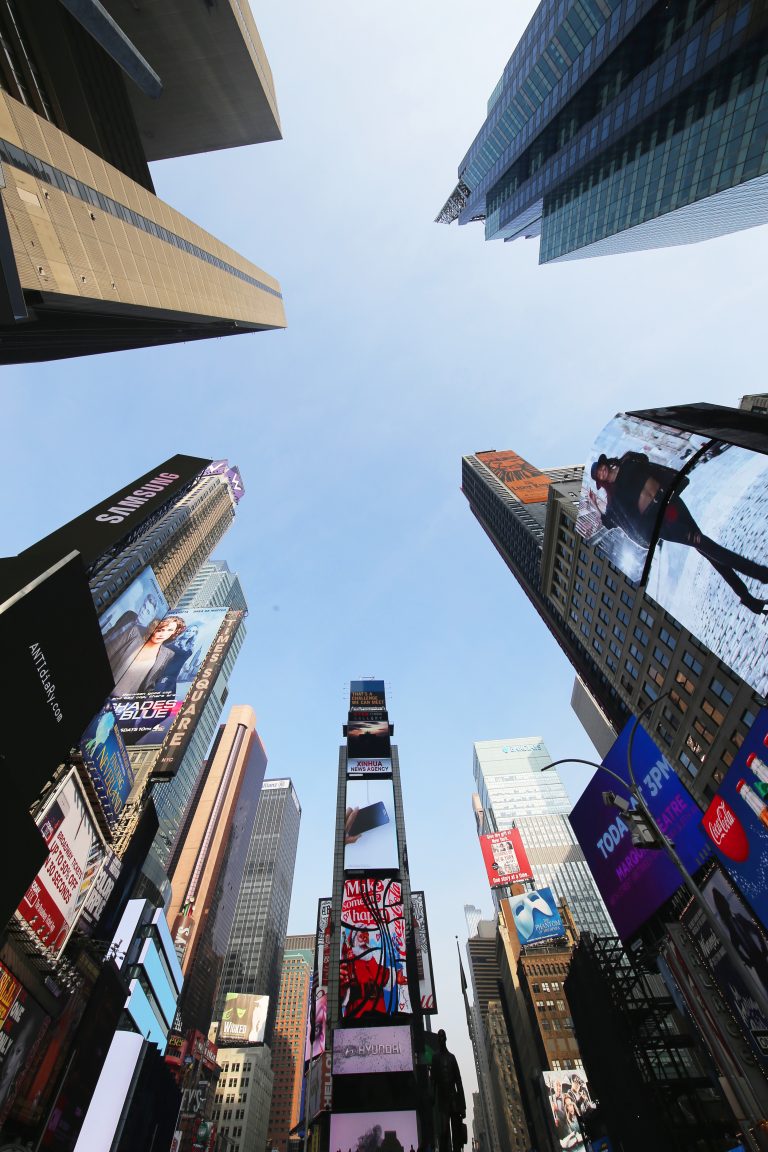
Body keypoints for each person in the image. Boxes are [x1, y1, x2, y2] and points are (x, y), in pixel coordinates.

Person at [591, 451, 768, 613]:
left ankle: (748, 599)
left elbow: (646, 461)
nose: (601, 473)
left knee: (707, 550)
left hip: (672, 503)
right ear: (601, 482)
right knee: (703, 543)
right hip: (663, 522)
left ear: (604, 464)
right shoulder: (614, 497)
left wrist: (629, 458)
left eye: (600, 469)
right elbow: (610, 521)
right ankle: (760, 573)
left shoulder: (628, 461)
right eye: (598, 476)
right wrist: (596, 506)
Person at [111, 615, 187, 696]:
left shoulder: (168, 654)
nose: (162, 634)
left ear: (174, 633)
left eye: (169, 630)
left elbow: (152, 681)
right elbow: (110, 653)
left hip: (126, 701)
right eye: (161, 629)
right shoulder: (134, 632)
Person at [101, 590, 160, 680]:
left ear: (151, 617)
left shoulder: (143, 636)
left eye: (148, 611)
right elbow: (111, 632)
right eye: (144, 606)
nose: (143, 611)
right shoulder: (129, 614)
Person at [430, 1029, 466, 1152]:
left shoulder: (452, 1058)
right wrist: (432, 1098)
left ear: (445, 1039)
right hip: (442, 1101)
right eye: (439, 1037)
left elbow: (459, 1082)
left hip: (454, 1101)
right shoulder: (435, 1058)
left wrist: (463, 1106)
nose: (441, 1039)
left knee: (456, 1134)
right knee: (444, 1132)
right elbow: (433, 1080)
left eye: (442, 1037)